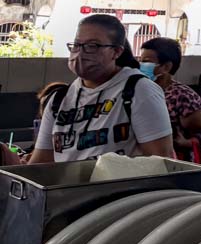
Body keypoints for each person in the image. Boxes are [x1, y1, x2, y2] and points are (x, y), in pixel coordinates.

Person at [30, 15, 173, 163]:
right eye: (77, 45)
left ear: (117, 51)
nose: (80, 53)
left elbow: (160, 162)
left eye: (92, 46)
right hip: (68, 185)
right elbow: (41, 162)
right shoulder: (59, 100)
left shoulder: (139, 90)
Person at [139, 37, 201, 160]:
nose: (141, 66)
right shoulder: (140, 90)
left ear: (166, 67)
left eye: (146, 62)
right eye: (140, 61)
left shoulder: (182, 96)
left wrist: (184, 143)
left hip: (174, 166)